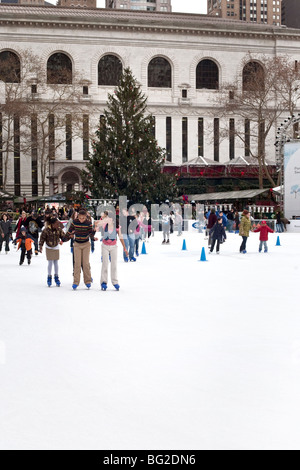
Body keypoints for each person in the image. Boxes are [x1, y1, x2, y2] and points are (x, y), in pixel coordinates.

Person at [64, 209, 97, 290]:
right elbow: (69, 232)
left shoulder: (88, 223)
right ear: (78, 216)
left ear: (86, 217)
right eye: (80, 218)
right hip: (77, 244)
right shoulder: (74, 222)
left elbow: (90, 234)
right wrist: (63, 240)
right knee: (77, 263)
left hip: (86, 244)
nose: (81, 220)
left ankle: (88, 281)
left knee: (85, 263)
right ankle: (75, 282)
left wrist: (94, 233)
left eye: (83, 218)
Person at [96, 211, 129, 291]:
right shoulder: (104, 225)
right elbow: (96, 224)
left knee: (114, 265)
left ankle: (115, 282)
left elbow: (120, 237)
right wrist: (102, 219)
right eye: (107, 218)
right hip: (105, 246)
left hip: (114, 246)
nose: (109, 219)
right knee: (105, 263)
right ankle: (103, 282)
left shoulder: (117, 226)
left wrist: (124, 248)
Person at [39, 217, 66, 287]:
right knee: (50, 262)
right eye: (57, 224)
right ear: (52, 224)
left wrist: (64, 239)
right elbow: (42, 238)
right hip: (49, 247)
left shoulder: (58, 229)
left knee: (56, 262)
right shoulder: (46, 230)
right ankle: (49, 277)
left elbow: (63, 236)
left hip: (56, 246)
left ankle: (56, 277)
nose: (58, 225)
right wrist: (40, 246)